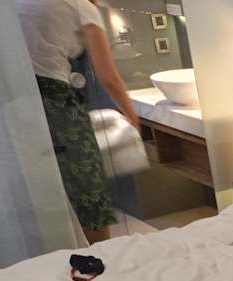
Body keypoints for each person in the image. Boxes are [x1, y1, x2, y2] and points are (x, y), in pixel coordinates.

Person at [15, 0, 140, 244]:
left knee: (38, 190)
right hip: (54, 99)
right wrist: (132, 117)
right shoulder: (83, 7)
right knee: (87, 187)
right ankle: (99, 254)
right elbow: (109, 77)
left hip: (12, 101)